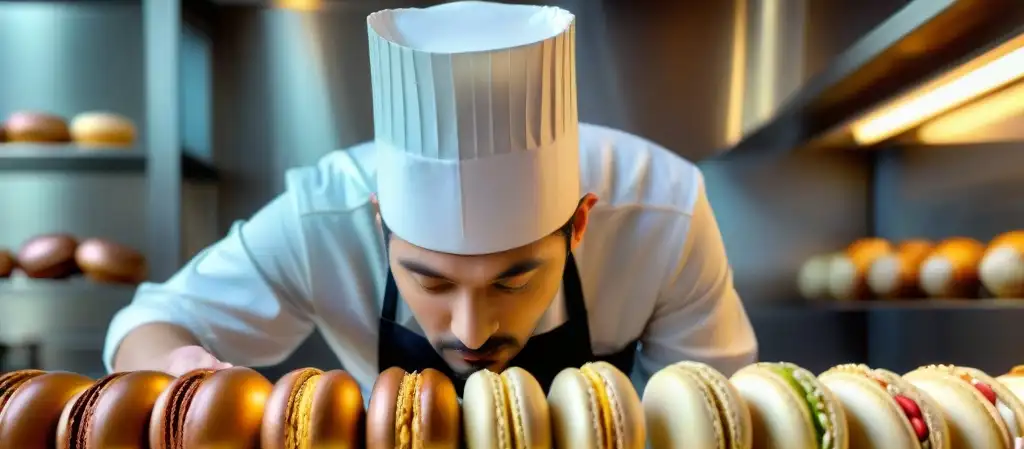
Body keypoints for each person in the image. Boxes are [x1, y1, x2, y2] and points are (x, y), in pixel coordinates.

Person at [106, 1, 757, 398]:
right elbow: (147, 324)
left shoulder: (663, 210)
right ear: (381, 220)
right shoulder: (323, 214)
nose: (471, 332)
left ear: (580, 223)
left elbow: (709, 409)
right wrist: (178, 364)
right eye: (430, 280)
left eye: (514, 279)